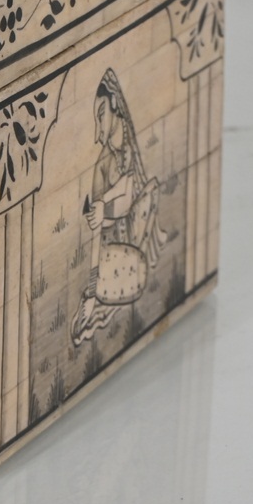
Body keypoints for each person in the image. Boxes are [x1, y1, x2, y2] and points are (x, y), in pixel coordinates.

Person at [72, 70, 167, 344]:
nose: (98, 130)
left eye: (101, 114)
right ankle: (95, 303)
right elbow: (96, 234)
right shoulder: (103, 164)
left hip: (135, 245)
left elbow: (130, 190)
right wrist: (91, 292)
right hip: (113, 254)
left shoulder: (129, 147)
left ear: (114, 103)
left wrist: (107, 203)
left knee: (151, 190)